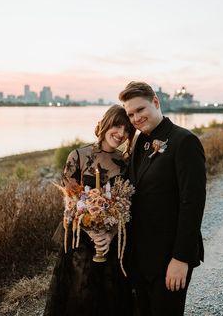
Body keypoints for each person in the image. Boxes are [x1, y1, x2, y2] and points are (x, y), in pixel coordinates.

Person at [119, 82, 206, 316]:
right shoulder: (139, 142)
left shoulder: (184, 141)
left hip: (169, 258)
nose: (136, 118)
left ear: (156, 102)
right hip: (138, 256)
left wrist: (181, 258)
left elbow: (193, 204)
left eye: (140, 110)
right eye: (130, 114)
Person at [44, 104, 136, 316]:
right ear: (105, 124)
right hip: (80, 241)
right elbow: (69, 203)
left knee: (110, 298)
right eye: (117, 126)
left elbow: (127, 204)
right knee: (79, 295)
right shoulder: (77, 156)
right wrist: (92, 230)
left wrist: (109, 234)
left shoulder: (125, 164)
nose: (121, 134)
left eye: (127, 130)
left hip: (111, 244)